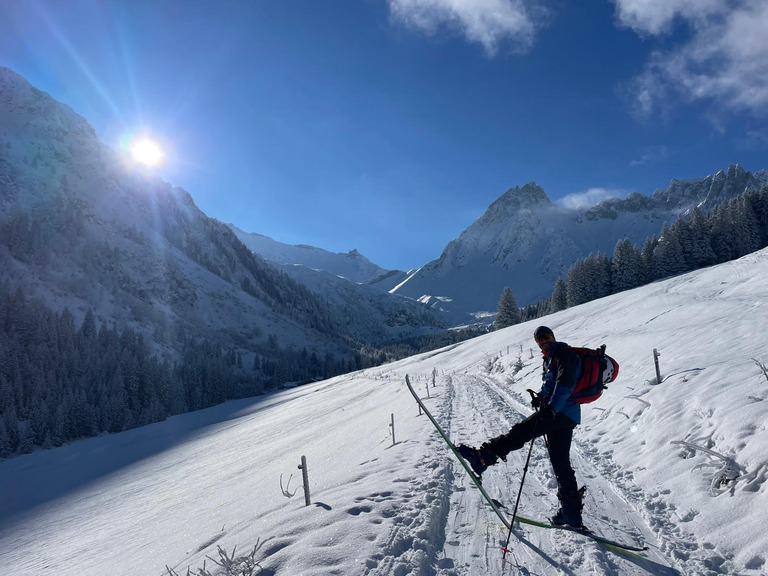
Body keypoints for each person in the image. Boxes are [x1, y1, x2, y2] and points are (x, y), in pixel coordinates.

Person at [458, 325, 584, 528]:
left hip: (559, 413)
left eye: (546, 336)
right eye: (539, 339)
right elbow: (551, 385)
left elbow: (565, 384)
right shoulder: (551, 357)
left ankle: (483, 458)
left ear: (553, 336)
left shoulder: (564, 353)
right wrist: (541, 398)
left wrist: (551, 407)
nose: (544, 340)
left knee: (520, 432)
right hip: (565, 415)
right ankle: (571, 514)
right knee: (560, 463)